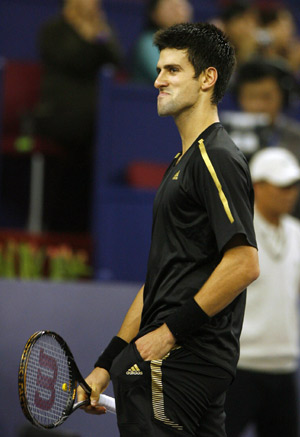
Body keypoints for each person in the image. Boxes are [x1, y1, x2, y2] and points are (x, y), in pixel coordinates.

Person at [78, 22, 259, 436]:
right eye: (159, 69)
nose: (158, 80)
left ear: (207, 78)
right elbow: (160, 282)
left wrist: (168, 334)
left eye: (173, 70)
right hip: (183, 365)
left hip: (177, 362)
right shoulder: (182, 162)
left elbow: (245, 263)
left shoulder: (216, 157)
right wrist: (106, 364)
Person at [225, 147, 300, 437]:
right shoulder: (236, 231)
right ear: (256, 186)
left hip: (284, 367)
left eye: (293, 185)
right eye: (281, 186)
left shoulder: (295, 232)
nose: (290, 193)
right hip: (241, 367)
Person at [35, 0, 122, 232]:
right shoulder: (54, 29)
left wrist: (99, 35)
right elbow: (74, 58)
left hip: (95, 118)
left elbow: (114, 56)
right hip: (60, 113)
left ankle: (93, 225)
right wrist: (88, 36)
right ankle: (63, 225)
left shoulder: (101, 27)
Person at [130, 0, 193, 84]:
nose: (179, 11)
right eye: (171, 7)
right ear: (154, 13)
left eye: (182, 6)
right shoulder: (148, 43)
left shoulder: (193, 42)